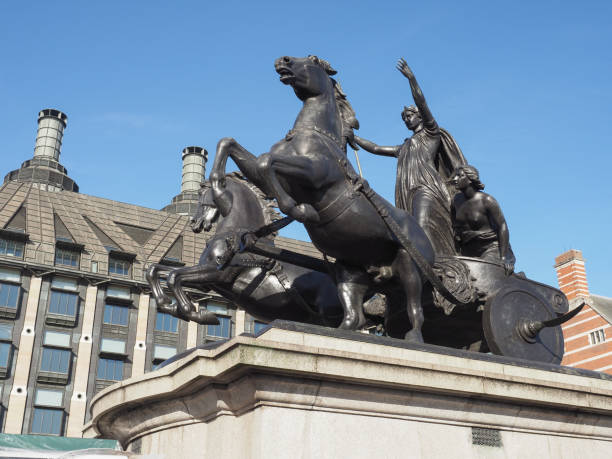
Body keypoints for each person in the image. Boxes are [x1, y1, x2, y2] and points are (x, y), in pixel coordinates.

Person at [354, 58, 466, 257]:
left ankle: (433, 266)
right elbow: (376, 148)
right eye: (404, 118)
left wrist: (411, 79)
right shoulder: (404, 146)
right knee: (408, 231)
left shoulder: (432, 133)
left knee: (420, 226)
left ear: (419, 117)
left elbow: (422, 103)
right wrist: (352, 136)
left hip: (426, 187)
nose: (406, 119)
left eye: (409, 115)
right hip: (407, 191)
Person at [450, 165, 515, 275]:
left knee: (483, 271)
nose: (455, 179)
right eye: (455, 176)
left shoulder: (487, 200)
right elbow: (455, 224)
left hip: (491, 247)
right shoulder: (456, 200)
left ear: (470, 179)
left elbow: (502, 226)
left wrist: (503, 257)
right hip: (469, 250)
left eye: (460, 176)